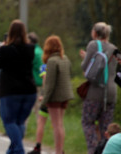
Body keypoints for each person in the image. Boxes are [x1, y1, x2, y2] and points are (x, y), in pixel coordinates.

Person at [0, 19, 37, 154]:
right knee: (19, 123)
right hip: (29, 91)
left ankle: (18, 149)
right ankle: (12, 150)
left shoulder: (5, 50)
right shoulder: (30, 49)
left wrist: (2, 48)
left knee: (9, 122)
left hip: (10, 91)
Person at [79, 22, 118, 154]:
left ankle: (94, 150)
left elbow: (85, 67)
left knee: (88, 122)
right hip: (111, 93)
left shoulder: (93, 45)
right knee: (105, 128)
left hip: (94, 92)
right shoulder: (114, 48)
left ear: (95, 33)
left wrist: (86, 58)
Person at [40, 35, 74, 154]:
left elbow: (50, 84)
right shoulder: (65, 59)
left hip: (55, 97)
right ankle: (61, 150)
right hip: (65, 95)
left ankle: (58, 151)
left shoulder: (52, 61)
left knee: (56, 125)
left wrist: (45, 99)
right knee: (60, 123)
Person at [28, 64, 49, 154]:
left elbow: (45, 78)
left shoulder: (45, 65)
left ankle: (38, 147)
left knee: (41, 121)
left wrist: (43, 94)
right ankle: (60, 149)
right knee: (58, 124)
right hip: (61, 97)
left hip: (49, 95)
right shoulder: (63, 60)